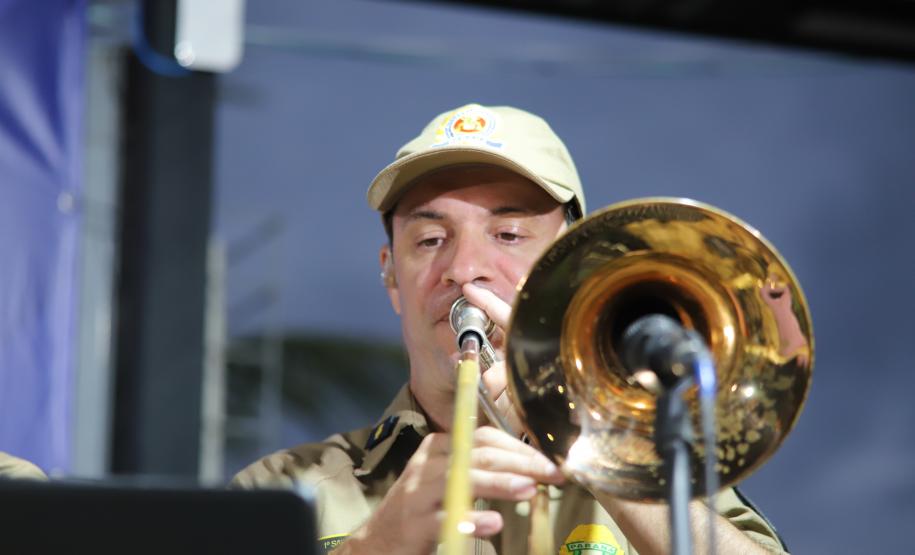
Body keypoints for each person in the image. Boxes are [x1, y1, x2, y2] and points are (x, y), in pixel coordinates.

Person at [231, 103, 788, 554]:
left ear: (574, 272)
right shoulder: (283, 489)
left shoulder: (661, 475)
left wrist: (592, 448)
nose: (464, 268)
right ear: (391, 276)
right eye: (429, 240)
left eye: (509, 235)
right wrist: (380, 545)